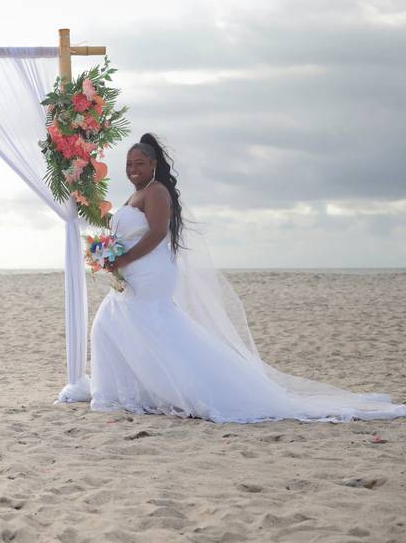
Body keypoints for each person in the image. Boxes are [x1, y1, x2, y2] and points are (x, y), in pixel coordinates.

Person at [88, 133, 406, 422]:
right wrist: (110, 257)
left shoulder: (155, 191)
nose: (132, 168)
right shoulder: (137, 193)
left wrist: (125, 258)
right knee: (120, 324)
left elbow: (157, 232)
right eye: (129, 164)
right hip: (133, 272)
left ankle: (174, 388)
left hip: (149, 272)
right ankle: (136, 390)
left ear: (153, 164)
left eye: (139, 163)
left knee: (139, 324)